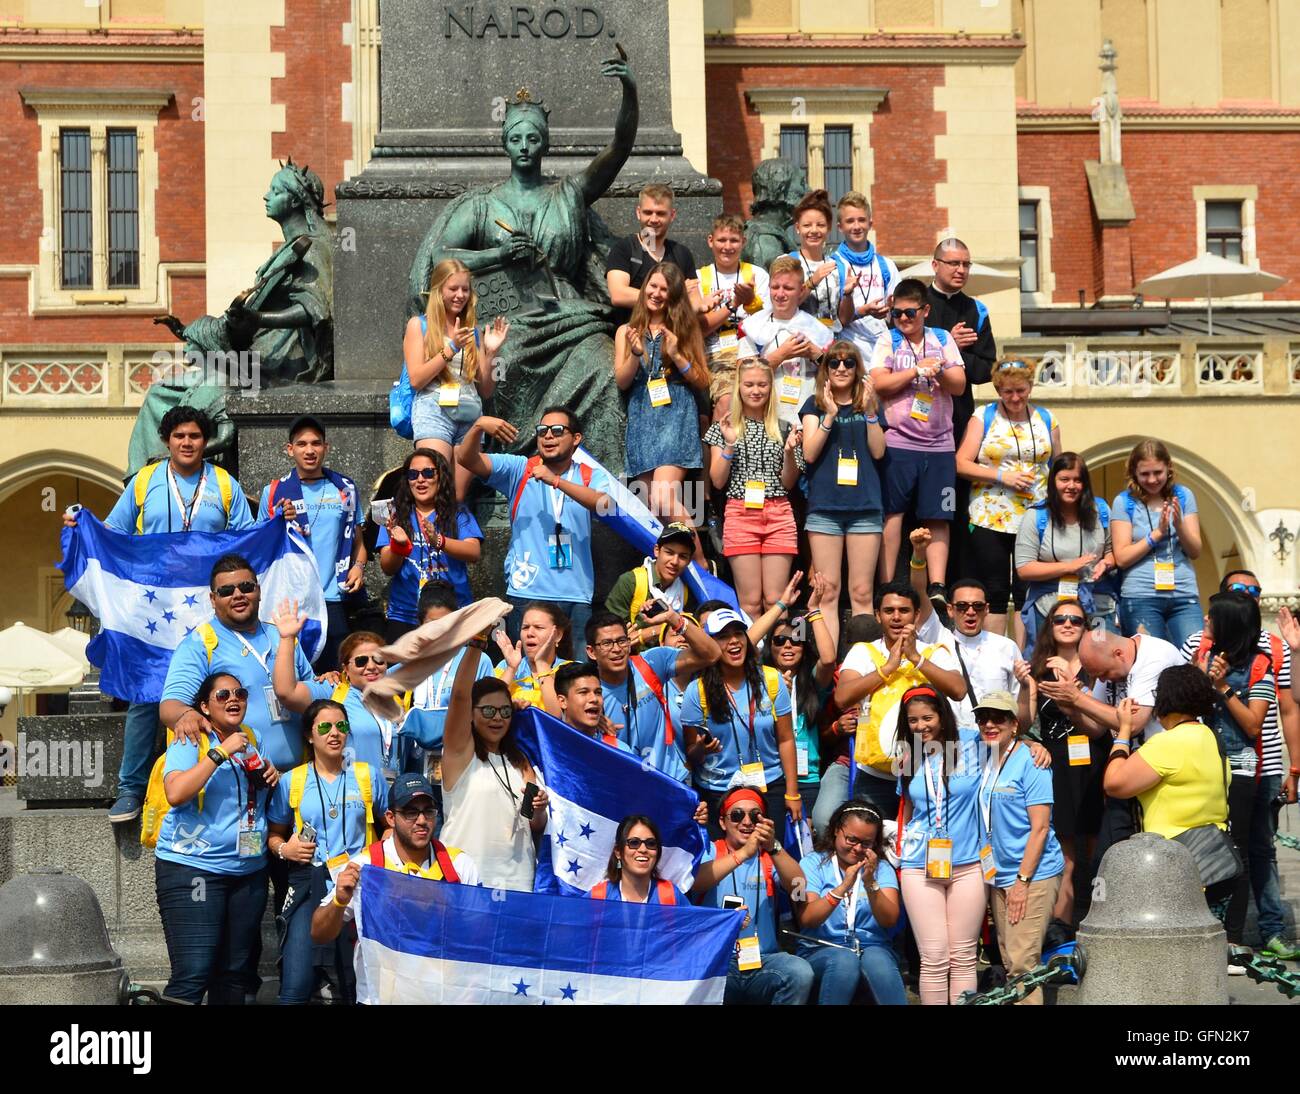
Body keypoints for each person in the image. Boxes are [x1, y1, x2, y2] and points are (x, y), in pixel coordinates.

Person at [64, 405, 255, 823]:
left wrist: (279, 525)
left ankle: (245, 775)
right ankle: (130, 790)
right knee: (145, 695)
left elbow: (246, 538)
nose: (188, 443)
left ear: (206, 442)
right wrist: (83, 526)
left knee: (225, 692)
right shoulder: (144, 482)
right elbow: (113, 531)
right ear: (167, 441)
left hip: (207, 605)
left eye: (196, 436)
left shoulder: (224, 483)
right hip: (154, 608)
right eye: (180, 436)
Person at [1187, 571, 1300, 960]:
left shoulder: (1264, 661)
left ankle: (1258, 930)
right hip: (1205, 769)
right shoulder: (1200, 651)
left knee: (1253, 851)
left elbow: (1272, 714)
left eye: (1254, 590)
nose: (1205, 621)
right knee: (1212, 849)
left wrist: (1294, 768)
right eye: (1239, 591)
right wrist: (1203, 676)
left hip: (1252, 769)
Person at [154, 672, 279, 1004]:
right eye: (222, 695)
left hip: (248, 870)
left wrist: (270, 775)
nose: (233, 699)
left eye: (239, 693)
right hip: (194, 866)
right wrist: (219, 752)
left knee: (236, 974)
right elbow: (176, 793)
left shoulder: (250, 740)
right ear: (204, 707)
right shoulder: (190, 738)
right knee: (193, 972)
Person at [312, 773, 480, 1001]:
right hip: (380, 996)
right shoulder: (366, 866)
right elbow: (319, 933)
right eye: (411, 812)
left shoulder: (460, 865)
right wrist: (339, 901)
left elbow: (479, 936)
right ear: (390, 817)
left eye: (428, 811)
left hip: (441, 995)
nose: (422, 820)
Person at [267, 698, 388, 1006]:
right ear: (309, 735)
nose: (334, 733)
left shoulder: (367, 775)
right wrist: (285, 849)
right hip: (310, 879)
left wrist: (380, 857)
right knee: (296, 980)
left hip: (361, 880)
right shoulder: (291, 781)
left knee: (358, 980)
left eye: (341, 726)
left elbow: (391, 825)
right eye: (324, 726)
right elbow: (273, 835)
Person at [457, 405, 612, 645]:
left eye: (558, 430)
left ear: (576, 439)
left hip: (576, 595)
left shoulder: (590, 475)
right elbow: (466, 458)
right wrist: (478, 426)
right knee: (524, 675)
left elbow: (604, 504)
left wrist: (557, 482)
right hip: (526, 593)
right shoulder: (519, 469)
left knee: (576, 675)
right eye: (543, 430)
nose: (548, 436)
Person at [1045, 624, 1185, 867]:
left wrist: (1078, 698)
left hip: (1167, 772)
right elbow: (1097, 726)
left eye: (1103, 674)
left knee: (1158, 859)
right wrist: (1073, 709)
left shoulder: (1155, 657)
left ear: (1118, 654)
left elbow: (1136, 721)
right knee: (1112, 857)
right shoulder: (1109, 663)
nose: (1101, 680)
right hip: (1131, 769)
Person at [1102, 670, 1232, 925]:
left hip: (1170, 865)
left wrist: (1124, 732)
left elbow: (1114, 783)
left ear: (1165, 700)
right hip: (1215, 863)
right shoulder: (1212, 738)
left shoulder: (1168, 744)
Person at [834, 578, 967, 816]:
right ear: (878, 615)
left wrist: (916, 658)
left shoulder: (933, 652)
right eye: (889, 611)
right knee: (871, 846)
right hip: (874, 776)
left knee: (918, 843)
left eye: (904, 611)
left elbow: (958, 690)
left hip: (924, 771)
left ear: (916, 615)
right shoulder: (863, 652)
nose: (896, 617)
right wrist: (887, 668)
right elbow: (842, 697)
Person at [1014, 598, 1108, 933]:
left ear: (1086, 627)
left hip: (1094, 762)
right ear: (1049, 627)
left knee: (1098, 855)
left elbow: (1098, 726)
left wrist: (1071, 691)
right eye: (1060, 620)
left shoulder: (1095, 665)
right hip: (1056, 762)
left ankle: (1101, 925)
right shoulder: (1038, 666)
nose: (1068, 625)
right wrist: (1027, 688)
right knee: (1065, 856)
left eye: (1076, 620)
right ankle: (1059, 928)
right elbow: (1023, 722)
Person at [869, 278, 967, 599]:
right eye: (897, 313)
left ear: (925, 310)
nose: (904, 320)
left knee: (938, 514)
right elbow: (879, 384)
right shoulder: (888, 339)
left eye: (910, 313)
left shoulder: (941, 338)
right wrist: (915, 371)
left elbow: (960, 385)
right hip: (898, 440)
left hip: (939, 443)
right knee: (892, 513)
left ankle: (937, 585)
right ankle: (888, 584)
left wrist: (936, 370)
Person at [955, 359, 1061, 641]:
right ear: (999, 390)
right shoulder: (984, 416)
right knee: (996, 589)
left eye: (1021, 391)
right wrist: (1002, 476)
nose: (1015, 398)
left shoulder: (1046, 419)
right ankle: (997, 656)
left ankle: (1026, 656)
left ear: (1031, 387)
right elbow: (961, 463)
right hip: (991, 515)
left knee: (1027, 589)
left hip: (1036, 515)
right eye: (1008, 392)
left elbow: (1059, 467)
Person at [896, 687, 986, 1005]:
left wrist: (1033, 745)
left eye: (928, 718)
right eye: (913, 720)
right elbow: (908, 808)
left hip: (968, 864)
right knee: (933, 957)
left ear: (942, 716)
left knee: (963, 956)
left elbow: (1008, 739)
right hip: (918, 866)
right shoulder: (907, 756)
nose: (921, 726)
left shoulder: (972, 744)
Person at [439, 636, 549, 891]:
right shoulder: (459, 753)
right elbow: (459, 697)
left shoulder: (520, 761)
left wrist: (539, 808)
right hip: (464, 879)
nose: (497, 718)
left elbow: (533, 822)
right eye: (488, 711)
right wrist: (477, 642)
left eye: (505, 711)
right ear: (471, 713)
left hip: (518, 880)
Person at [976, 690, 1065, 1004]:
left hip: (1030, 874)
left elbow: (1040, 829)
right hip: (998, 873)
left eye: (998, 718)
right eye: (982, 718)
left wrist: (1022, 882)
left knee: (1021, 967)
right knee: (1012, 959)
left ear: (1015, 724)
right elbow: (935, 736)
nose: (989, 724)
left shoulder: (1032, 761)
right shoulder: (983, 753)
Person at [257, 416, 365, 672]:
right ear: (289, 449)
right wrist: (278, 521)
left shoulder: (345, 489)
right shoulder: (273, 493)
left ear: (326, 448)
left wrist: (359, 566)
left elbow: (358, 540)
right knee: (289, 675)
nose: (309, 450)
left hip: (332, 598)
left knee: (336, 677)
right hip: (290, 600)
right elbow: (260, 546)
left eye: (316, 443)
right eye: (302, 443)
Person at [677, 608, 801, 830]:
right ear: (711, 645)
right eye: (723, 636)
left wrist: (792, 793)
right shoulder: (697, 690)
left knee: (769, 856)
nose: (734, 641)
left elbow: (786, 739)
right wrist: (702, 749)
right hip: (717, 789)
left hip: (768, 785)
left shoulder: (772, 680)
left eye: (739, 633)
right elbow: (691, 752)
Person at [614, 260, 710, 539]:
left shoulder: (684, 328)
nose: (656, 293)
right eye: (652, 286)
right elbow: (622, 381)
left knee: (664, 498)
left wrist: (677, 355)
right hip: (642, 415)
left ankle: (702, 564)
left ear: (674, 295)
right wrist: (634, 353)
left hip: (675, 414)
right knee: (651, 509)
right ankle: (671, 573)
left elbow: (703, 380)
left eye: (664, 289)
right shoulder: (626, 330)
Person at [800, 341, 886, 650]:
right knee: (829, 591)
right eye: (834, 363)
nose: (840, 368)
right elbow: (809, 453)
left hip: (865, 507)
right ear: (825, 368)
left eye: (848, 363)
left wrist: (873, 413)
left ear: (857, 368)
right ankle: (828, 667)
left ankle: (865, 667)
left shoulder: (870, 403)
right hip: (825, 508)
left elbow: (878, 451)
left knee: (862, 592)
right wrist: (830, 416)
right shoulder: (815, 404)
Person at [704, 359, 805, 621]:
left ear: (771, 387)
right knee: (749, 603)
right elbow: (716, 480)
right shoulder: (723, 427)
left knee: (776, 600)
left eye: (762, 384)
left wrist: (790, 453)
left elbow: (788, 483)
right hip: (740, 511)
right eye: (749, 384)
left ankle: (778, 659)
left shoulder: (784, 427)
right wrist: (729, 445)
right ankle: (753, 660)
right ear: (739, 387)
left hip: (778, 512)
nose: (755, 390)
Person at [691, 788, 813, 1004]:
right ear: (722, 822)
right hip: (717, 961)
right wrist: (743, 854)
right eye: (737, 815)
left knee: (800, 973)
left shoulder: (769, 857)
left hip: (762, 961)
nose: (746, 822)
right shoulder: (710, 850)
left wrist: (774, 847)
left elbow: (800, 891)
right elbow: (696, 883)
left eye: (755, 816)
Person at [925, 238, 998, 587]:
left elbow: (985, 370)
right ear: (935, 264)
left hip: (957, 422)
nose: (961, 270)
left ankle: (957, 585)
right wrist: (949, 343)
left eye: (966, 264)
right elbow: (907, 354)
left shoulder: (976, 310)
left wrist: (947, 351)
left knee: (955, 507)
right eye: (954, 263)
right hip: (917, 425)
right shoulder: (917, 305)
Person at [402, 258, 509, 486]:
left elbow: (486, 390)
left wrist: (491, 353)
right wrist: (451, 348)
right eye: (453, 289)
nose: (460, 295)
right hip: (433, 411)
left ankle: (456, 523)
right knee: (434, 485)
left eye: (465, 289)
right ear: (438, 290)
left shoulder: (473, 331)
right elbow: (417, 380)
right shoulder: (419, 325)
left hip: (469, 413)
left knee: (457, 496)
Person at [585, 609, 720, 783]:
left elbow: (713, 654)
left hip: (672, 779)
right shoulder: (586, 690)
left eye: (621, 641)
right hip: (626, 786)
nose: (617, 649)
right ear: (591, 651)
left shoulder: (651, 663)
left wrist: (674, 619)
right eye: (607, 644)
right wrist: (592, 717)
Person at [793, 801, 907, 1005]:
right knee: (844, 960)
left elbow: (889, 920)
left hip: (871, 946)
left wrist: (870, 883)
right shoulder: (812, 863)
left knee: (878, 960)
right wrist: (842, 888)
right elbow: (807, 918)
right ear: (837, 830)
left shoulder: (881, 868)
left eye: (866, 843)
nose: (857, 849)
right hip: (821, 948)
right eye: (851, 839)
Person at [270, 615, 403, 783]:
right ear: (345, 668)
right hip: (352, 798)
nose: (371, 666)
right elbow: (286, 692)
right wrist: (287, 639)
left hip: (395, 796)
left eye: (379, 659)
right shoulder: (333, 691)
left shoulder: (394, 697)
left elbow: (425, 658)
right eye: (361, 661)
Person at [376, 448, 483, 639]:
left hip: (453, 612)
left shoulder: (457, 512)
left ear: (440, 476)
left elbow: (473, 551)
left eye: (428, 473)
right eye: (413, 474)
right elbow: (387, 567)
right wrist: (399, 547)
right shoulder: (395, 515)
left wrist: (439, 541)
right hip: (406, 615)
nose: (420, 480)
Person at [1015, 452, 1116, 648]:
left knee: (1102, 664)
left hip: (1098, 606)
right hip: (1048, 609)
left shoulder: (1102, 512)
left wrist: (1107, 563)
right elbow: (1024, 568)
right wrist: (1068, 566)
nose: (1071, 486)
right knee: (1048, 666)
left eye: (1077, 480)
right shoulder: (1035, 516)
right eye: (1064, 479)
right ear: (1053, 482)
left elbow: (1112, 552)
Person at [400, 582, 496, 784]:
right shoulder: (410, 662)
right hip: (416, 765)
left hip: (463, 762)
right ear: (420, 625)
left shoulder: (477, 659)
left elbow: (489, 708)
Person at [1110, 439, 1203, 648]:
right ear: (1134, 472)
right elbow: (1122, 558)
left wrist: (1179, 526)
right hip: (1141, 594)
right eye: (1144, 474)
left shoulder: (1183, 496)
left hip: (1183, 593)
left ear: (1168, 468)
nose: (1152, 480)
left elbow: (1195, 550)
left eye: (1158, 472)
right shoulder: (1124, 502)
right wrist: (1156, 535)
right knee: (1151, 661)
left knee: (1195, 655)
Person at [762, 589, 837, 823]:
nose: (788, 646)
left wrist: (813, 610)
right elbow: (745, 642)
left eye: (796, 640)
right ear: (769, 647)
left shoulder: (812, 682)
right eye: (779, 640)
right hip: (770, 776)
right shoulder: (758, 681)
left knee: (806, 844)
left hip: (807, 778)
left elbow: (827, 659)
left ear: (804, 648)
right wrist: (781, 605)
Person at [738, 256, 834, 428]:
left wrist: (817, 355)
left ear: (801, 290)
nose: (780, 294)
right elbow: (741, 374)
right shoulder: (753, 326)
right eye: (775, 287)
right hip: (766, 420)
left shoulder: (818, 329)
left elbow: (836, 375)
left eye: (788, 288)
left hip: (808, 419)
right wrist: (781, 355)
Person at [698, 213, 768, 418]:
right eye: (721, 240)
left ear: (743, 242)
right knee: (726, 403)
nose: (727, 246)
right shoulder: (699, 277)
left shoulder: (758, 275)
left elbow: (767, 323)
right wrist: (733, 305)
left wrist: (751, 302)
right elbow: (700, 329)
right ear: (710, 241)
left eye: (734, 240)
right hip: (715, 353)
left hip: (753, 352)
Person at [605, 183, 700, 323]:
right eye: (648, 212)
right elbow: (618, 295)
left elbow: (695, 301)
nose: (654, 219)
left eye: (661, 213)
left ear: (672, 215)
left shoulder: (682, 253)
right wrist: (675, 296)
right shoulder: (624, 248)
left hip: (673, 338)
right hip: (633, 336)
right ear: (638, 213)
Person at [605, 522, 698, 648]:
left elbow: (695, 630)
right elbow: (611, 635)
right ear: (657, 550)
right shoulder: (631, 581)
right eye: (669, 553)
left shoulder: (687, 589)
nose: (675, 562)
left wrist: (648, 633)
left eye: (682, 556)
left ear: (689, 561)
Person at [833, 192, 899, 359]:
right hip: (847, 355)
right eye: (850, 221)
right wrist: (862, 311)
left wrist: (893, 309)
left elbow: (898, 317)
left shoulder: (887, 266)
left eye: (861, 220)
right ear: (840, 227)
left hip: (882, 353)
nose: (856, 226)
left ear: (870, 224)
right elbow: (832, 321)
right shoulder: (833, 265)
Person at [493, 601, 567, 712]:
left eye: (538, 627)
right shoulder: (506, 666)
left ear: (558, 635)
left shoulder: (570, 669)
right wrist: (511, 668)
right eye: (525, 627)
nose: (530, 633)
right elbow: (488, 706)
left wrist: (541, 664)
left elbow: (557, 718)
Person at [589, 814, 679, 903]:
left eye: (651, 843)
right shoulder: (597, 898)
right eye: (634, 843)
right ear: (618, 852)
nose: (643, 849)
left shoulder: (672, 896)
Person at [788, 189, 844, 331]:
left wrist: (848, 295)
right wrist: (813, 281)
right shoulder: (787, 262)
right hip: (799, 343)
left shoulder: (839, 266)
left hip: (832, 344)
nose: (814, 230)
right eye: (807, 225)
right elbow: (785, 306)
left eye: (820, 225)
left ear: (829, 227)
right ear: (797, 228)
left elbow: (843, 318)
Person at [552, 661, 634, 753]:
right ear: (562, 701)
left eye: (598, 692)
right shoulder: (547, 748)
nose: (594, 699)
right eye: (583, 692)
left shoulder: (620, 752)